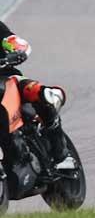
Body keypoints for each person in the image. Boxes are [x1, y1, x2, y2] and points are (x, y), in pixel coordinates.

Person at [0, 22, 75, 170]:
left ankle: (61, 154)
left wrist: (15, 53)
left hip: (6, 80)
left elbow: (15, 42)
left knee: (39, 93)